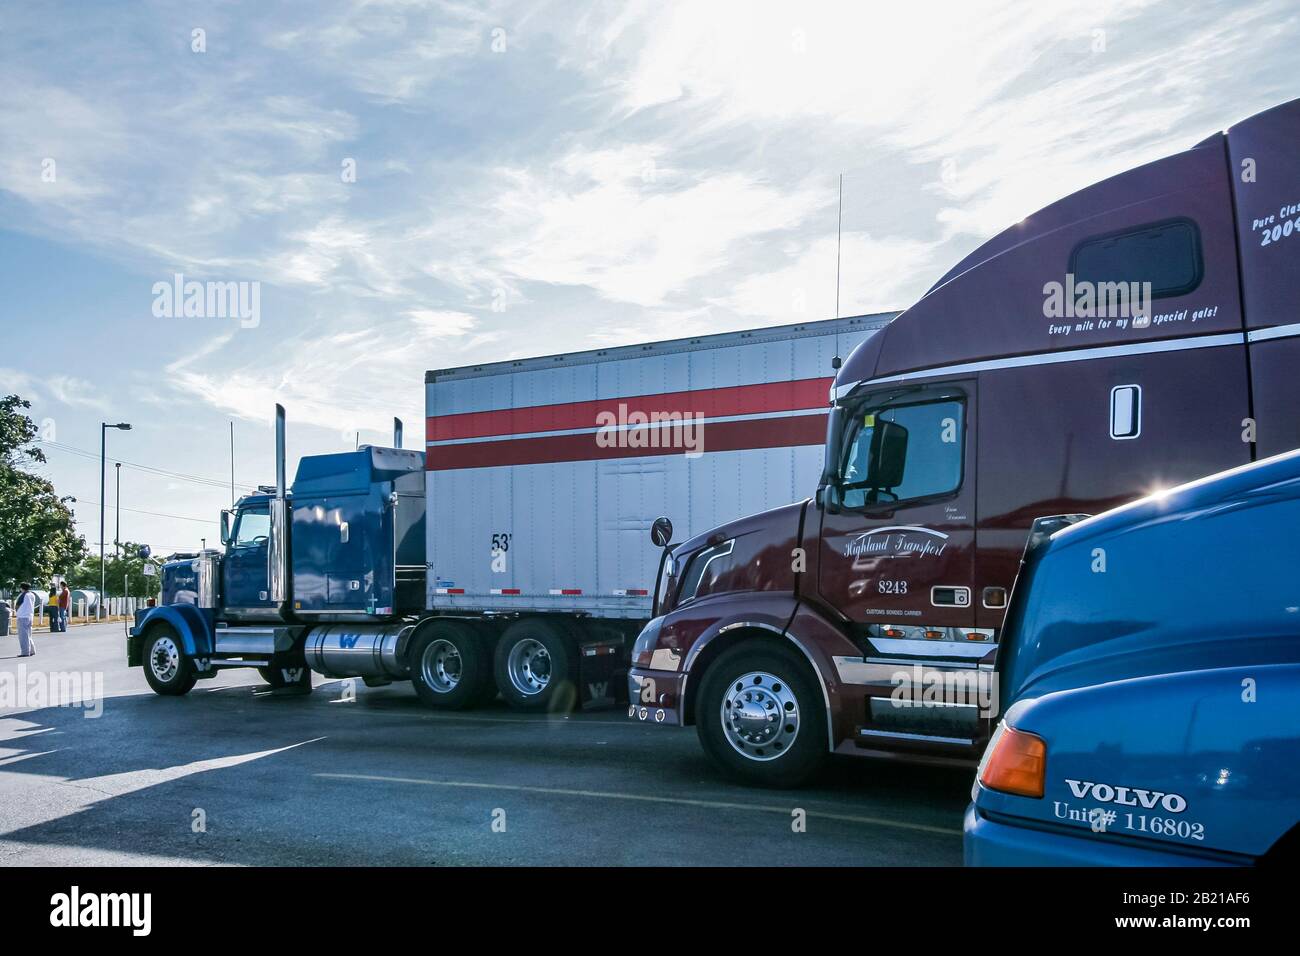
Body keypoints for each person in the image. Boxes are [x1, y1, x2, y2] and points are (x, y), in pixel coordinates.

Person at [13, 582, 37, 657]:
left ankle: (25, 652)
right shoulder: (32, 595)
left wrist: (16, 611)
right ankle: (32, 650)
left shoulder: (23, 595)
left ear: (22, 588)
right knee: (28, 634)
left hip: (22, 616)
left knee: (23, 636)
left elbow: (17, 605)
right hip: (30, 616)